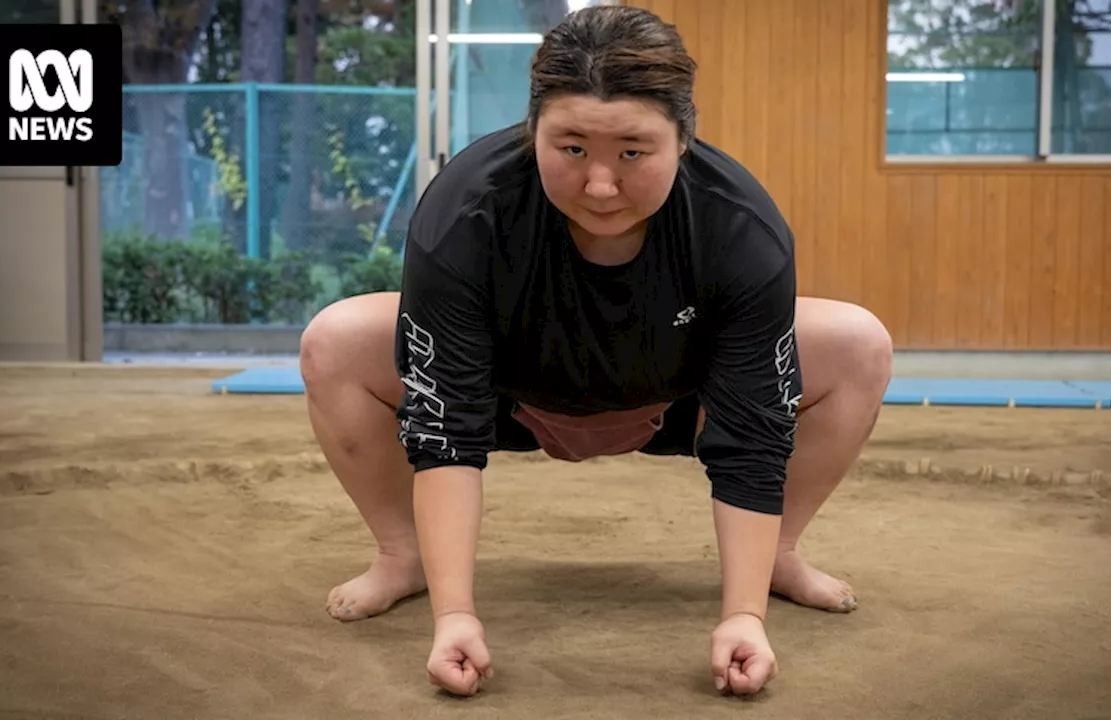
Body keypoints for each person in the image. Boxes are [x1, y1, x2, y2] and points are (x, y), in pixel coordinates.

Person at [299, 4, 892, 699]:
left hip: (679, 397)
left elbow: (754, 439)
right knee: (335, 340)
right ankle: (404, 555)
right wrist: (455, 615)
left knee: (858, 343)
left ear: (682, 140)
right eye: (572, 147)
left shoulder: (737, 225)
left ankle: (774, 558)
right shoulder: (466, 212)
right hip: (509, 396)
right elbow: (445, 428)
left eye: (633, 152)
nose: (600, 183)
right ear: (534, 130)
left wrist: (743, 616)